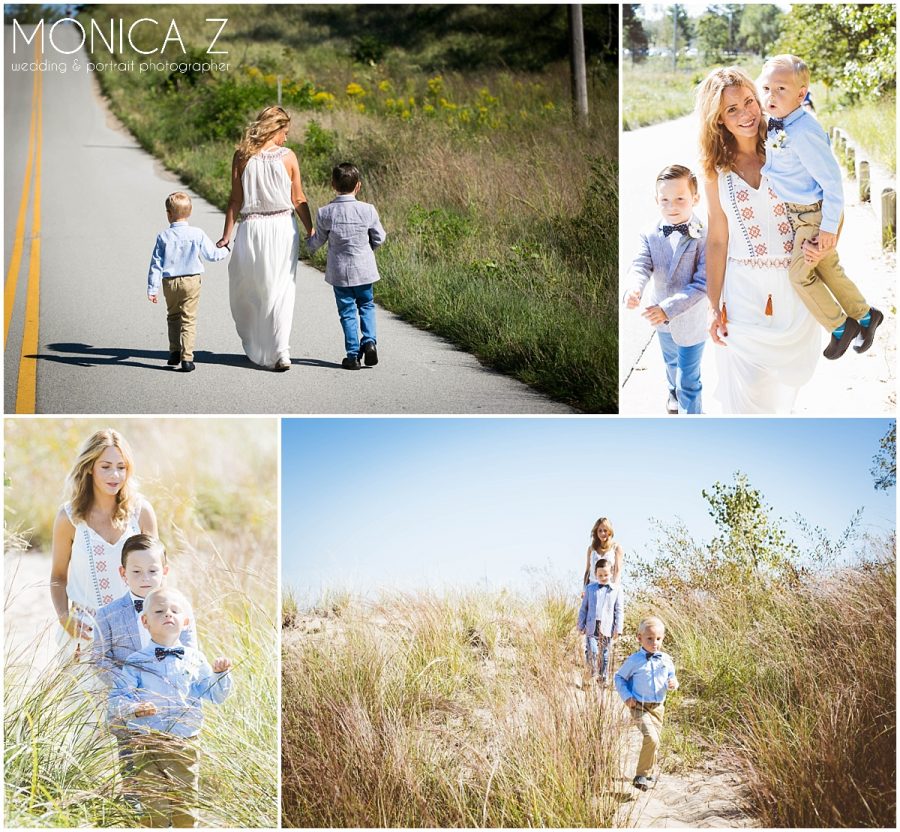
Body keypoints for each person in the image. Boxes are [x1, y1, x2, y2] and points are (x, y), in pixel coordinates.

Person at [697, 66, 828, 414]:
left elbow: (829, 195)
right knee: (750, 387)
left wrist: (827, 242)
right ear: (718, 119)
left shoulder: (786, 146)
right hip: (741, 290)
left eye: (749, 101)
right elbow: (716, 241)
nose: (746, 114)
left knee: (784, 389)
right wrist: (713, 307)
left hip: (793, 286)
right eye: (732, 110)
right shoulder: (714, 169)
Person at [758, 54, 883, 359]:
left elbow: (833, 183)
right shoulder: (780, 123)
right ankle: (866, 316)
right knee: (829, 268)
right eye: (766, 88)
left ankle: (841, 327)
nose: (771, 96)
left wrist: (827, 229)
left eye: (781, 89)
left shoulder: (802, 131)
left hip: (812, 217)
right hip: (799, 215)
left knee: (799, 275)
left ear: (802, 94)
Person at [109, 587, 232, 827]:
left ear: (185, 621)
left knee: (185, 806)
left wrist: (220, 675)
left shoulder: (195, 659)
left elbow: (215, 695)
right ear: (145, 621)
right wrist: (134, 707)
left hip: (184, 743)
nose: (168, 614)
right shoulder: (137, 661)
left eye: (175, 611)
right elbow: (116, 699)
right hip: (147, 743)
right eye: (159, 611)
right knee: (153, 808)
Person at [92, 535, 198, 811]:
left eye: (152, 571)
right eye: (136, 572)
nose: (145, 578)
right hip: (130, 711)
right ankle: (134, 815)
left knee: (179, 781)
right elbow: (99, 659)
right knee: (134, 778)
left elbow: (190, 654)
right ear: (123, 573)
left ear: (165, 571)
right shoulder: (107, 614)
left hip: (175, 710)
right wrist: (130, 690)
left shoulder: (179, 610)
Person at [217, 105, 314, 371]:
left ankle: (275, 348)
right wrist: (310, 228)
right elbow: (299, 199)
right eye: (285, 132)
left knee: (250, 287)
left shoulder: (241, 156)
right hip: (282, 227)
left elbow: (235, 200)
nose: (287, 138)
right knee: (281, 289)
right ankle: (278, 350)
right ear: (276, 129)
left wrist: (227, 235)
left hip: (252, 229)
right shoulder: (288, 157)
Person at [50, 429, 158, 657]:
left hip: (136, 631)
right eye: (106, 466)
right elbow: (58, 577)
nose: (115, 475)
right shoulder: (69, 518)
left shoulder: (141, 512)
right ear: (90, 467)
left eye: (121, 467)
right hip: (85, 632)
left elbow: (158, 576)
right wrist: (64, 618)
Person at [624, 164, 708, 414]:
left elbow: (703, 283)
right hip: (659, 319)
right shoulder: (649, 233)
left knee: (689, 380)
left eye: (680, 199)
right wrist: (633, 289)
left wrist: (667, 309)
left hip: (691, 319)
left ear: (695, 198)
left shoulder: (704, 235)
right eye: (665, 200)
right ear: (656, 200)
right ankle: (673, 395)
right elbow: (641, 264)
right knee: (671, 364)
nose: (672, 206)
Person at [306, 163, 387, 370]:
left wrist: (308, 243)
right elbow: (380, 236)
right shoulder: (367, 210)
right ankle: (369, 342)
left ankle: (352, 356)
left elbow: (318, 241)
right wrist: (369, 250)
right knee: (366, 305)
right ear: (358, 186)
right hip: (364, 269)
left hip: (340, 272)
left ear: (333, 185)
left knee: (347, 311)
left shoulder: (325, 212)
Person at [146, 191, 229, 373]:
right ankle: (187, 358)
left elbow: (156, 264)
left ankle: (174, 352)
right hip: (191, 281)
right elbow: (211, 255)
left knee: (173, 316)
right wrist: (226, 249)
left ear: (168, 214)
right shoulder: (197, 233)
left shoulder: (163, 237)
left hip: (169, 283)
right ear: (190, 212)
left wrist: (153, 288)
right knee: (188, 319)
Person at [614, 616, 678, 792]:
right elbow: (619, 677)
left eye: (658, 639)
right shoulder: (634, 660)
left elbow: (672, 675)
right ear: (639, 638)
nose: (654, 643)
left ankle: (648, 773)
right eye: (649, 638)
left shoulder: (666, 659)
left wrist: (673, 683)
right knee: (651, 737)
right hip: (639, 706)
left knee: (655, 742)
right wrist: (627, 697)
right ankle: (640, 775)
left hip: (658, 707)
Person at [577, 559, 623, 684]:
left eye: (606, 575)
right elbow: (584, 608)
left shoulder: (616, 590)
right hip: (592, 625)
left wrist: (618, 629)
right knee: (592, 651)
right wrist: (581, 625)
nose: (603, 577)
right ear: (596, 574)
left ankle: (603, 677)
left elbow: (618, 611)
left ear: (611, 573)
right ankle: (591, 673)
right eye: (600, 575)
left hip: (607, 627)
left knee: (605, 654)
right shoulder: (590, 588)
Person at [583, 517, 623, 587]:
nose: (602, 533)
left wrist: (614, 588)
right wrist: (584, 589)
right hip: (592, 588)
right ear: (596, 532)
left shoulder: (616, 548)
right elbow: (587, 571)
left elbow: (618, 570)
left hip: (609, 587)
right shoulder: (591, 549)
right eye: (600, 531)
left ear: (610, 532)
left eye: (605, 530)